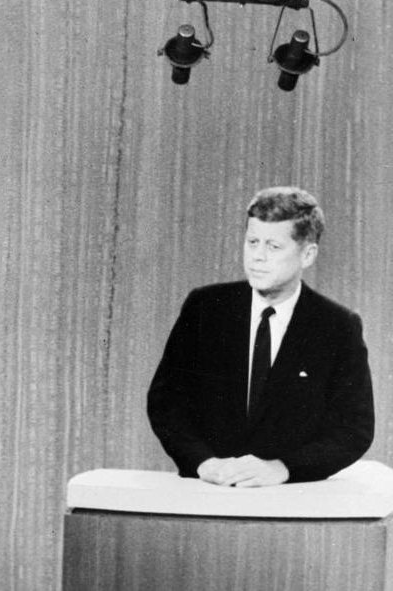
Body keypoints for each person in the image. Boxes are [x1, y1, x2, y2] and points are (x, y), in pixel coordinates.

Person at [147, 186, 373, 487]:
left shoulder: (338, 326)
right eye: (252, 242)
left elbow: (354, 429)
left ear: (307, 255)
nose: (257, 257)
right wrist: (202, 462)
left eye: (273, 247)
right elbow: (166, 402)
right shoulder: (205, 307)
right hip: (209, 491)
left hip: (291, 498)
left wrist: (284, 468)